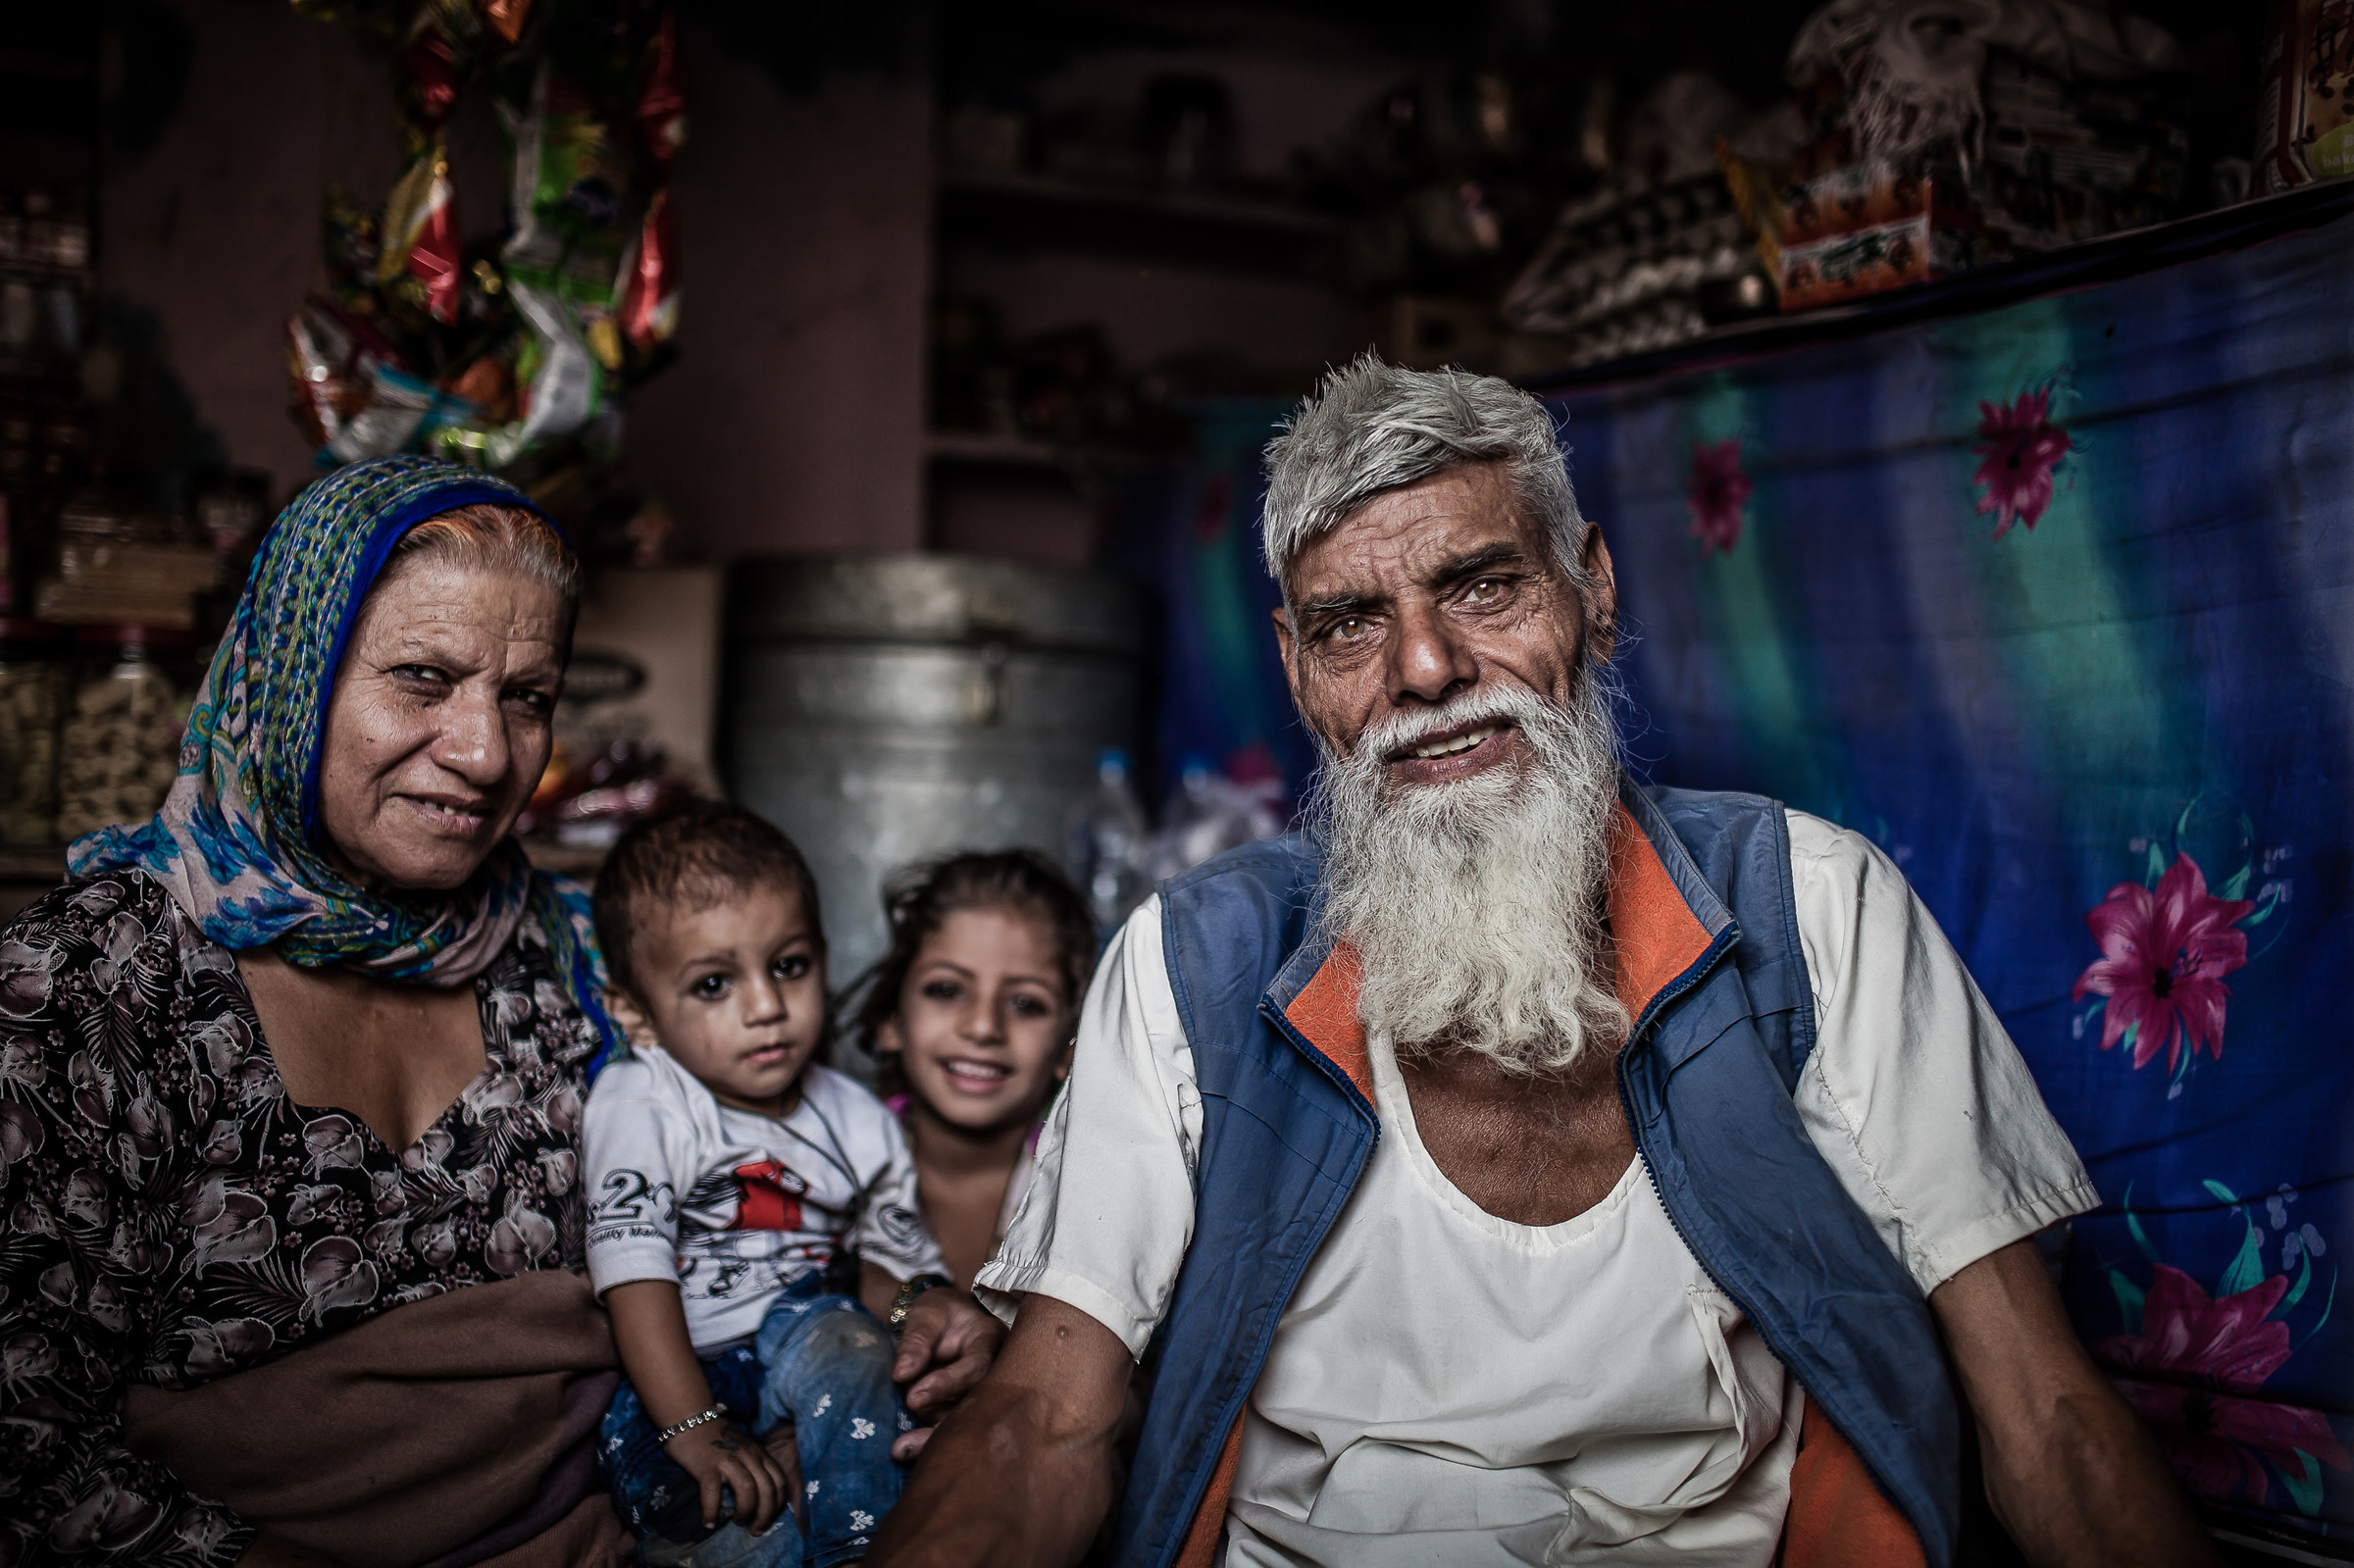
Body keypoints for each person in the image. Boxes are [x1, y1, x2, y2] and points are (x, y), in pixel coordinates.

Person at [868, 358, 2217, 1568]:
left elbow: (2046, 1412)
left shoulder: (1816, 909)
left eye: (1481, 583)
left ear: (1595, 591)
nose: (1426, 666)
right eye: (1349, 623)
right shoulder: (1191, 962)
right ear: (1295, 668)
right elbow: (1043, 1418)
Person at [0, 456, 1000, 1568]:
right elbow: (28, 1452)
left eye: (527, 697)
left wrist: (909, 1306)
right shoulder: (92, 990)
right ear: (291, 676)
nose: (485, 755)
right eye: (423, 679)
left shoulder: (580, 955)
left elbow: (754, 1197)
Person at [584, 803, 957, 1567]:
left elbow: (898, 1270)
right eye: (715, 983)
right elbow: (633, 1270)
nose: (765, 1007)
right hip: (679, 1370)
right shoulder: (644, 1096)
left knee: (854, 1345)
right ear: (636, 1011)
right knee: (709, 1528)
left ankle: (863, 1548)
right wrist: (693, 1426)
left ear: (823, 955)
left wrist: (927, 1304)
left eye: (788, 966)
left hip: (805, 1335)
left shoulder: (858, 1121)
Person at [847, 851, 1098, 1290]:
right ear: (891, 1020)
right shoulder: (828, 1164)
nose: (983, 1027)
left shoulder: (1091, 1196)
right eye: (946, 990)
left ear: (1067, 1048)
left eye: (1025, 1003)